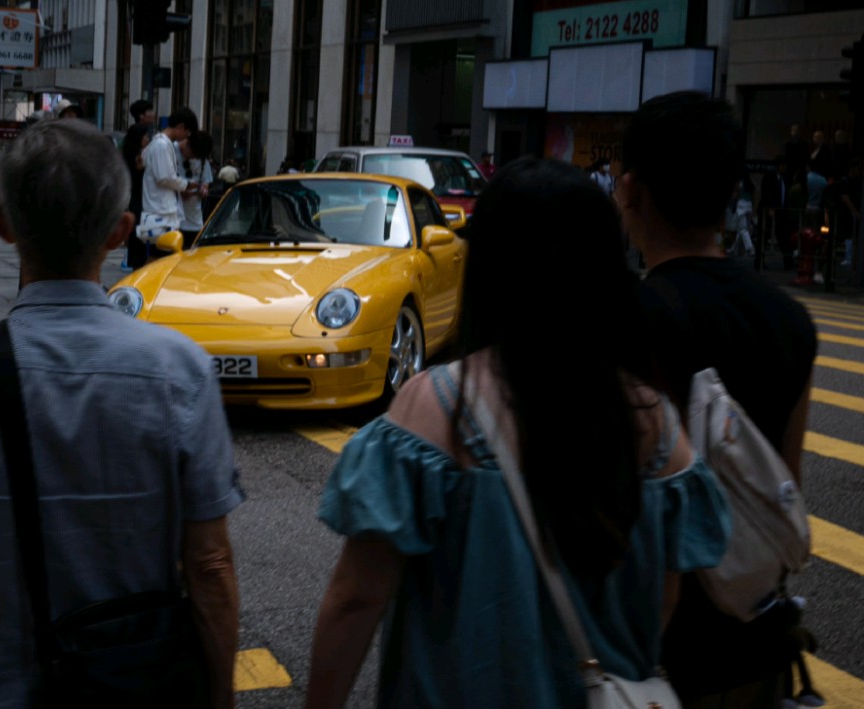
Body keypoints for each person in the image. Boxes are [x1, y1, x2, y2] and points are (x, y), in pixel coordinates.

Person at [307, 158, 730, 708]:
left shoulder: (436, 409)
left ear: (488, 268)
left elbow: (357, 600)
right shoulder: (655, 423)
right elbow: (662, 603)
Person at [0, 119, 243, 707]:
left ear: (1, 224)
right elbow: (209, 564)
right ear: (120, 232)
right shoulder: (181, 370)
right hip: (137, 682)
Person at [617, 91, 818, 708]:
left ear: (630, 192)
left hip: (657, 655)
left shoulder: (627, 321)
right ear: (731, 193)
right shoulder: (791, 322)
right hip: (755, 644)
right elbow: (784, 483)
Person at [141, 107, 198, 258]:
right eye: (187, 132)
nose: (187, 137)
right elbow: (165, 177)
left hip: (162, 212)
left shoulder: (160, 143)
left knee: (159, 259)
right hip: (161, 213)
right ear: (180, 126)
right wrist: (186, 184)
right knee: (160, 260)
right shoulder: (161, 145)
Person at [120, 122, 151, 271]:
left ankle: (136, 263)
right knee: (139, 236)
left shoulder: (127, 155)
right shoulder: (138, 158)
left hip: (134, 200)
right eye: (145, 136)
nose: (147, 139)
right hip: (139, 200)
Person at [178, 130, 214, 248]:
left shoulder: (203, 161)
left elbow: (205, 184)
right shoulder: (173, 152)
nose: (194, 157)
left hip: (195, 219)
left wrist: (201, 191)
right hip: (177, 219)